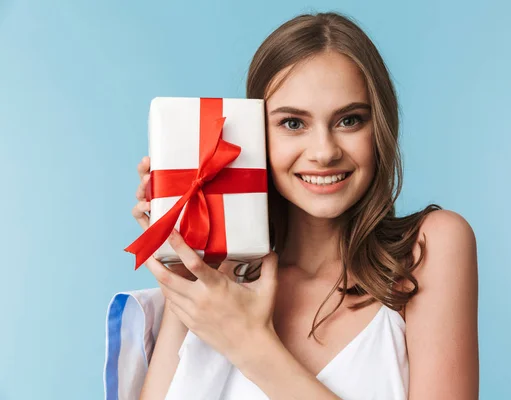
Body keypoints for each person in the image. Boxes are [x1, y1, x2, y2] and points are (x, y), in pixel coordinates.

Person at [132, 11, 479, 400]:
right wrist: (188, 269)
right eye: (293, 123)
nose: (324, 152)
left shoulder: (429, 248)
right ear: (255, 135)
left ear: (380, 127)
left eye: (349, 120)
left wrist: (250, 345)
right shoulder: (225, 281)